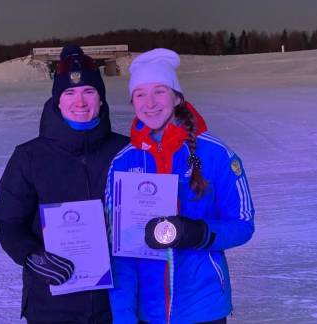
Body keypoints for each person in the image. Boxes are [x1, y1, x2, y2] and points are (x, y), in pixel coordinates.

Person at [105, 48, 255, 324]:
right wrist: (123, 316)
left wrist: (196, 233)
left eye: (159, 91)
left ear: (177, 97)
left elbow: (243, 223)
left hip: (203, 307)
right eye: (140, 94)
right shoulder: (123, 162)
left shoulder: (215, 153)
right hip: (146, 312)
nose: (150, 103)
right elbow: (119, 250)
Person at [0, 44, 129, 324]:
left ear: (101, 99)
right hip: (51, 304)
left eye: (88, 92)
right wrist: (31, 256)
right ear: (58, 101)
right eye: (70, 93)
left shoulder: (126, 151)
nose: (80, 102)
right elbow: (8, 222)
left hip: (117, 304)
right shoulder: (29, 156)